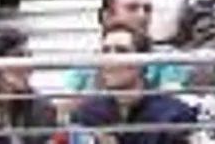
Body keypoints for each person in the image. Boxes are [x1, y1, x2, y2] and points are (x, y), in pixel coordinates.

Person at [70, 23, 200, 142]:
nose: (111, 59)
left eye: (122, 51)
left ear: (143, 62)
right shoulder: (88, 112)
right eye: (105, 51)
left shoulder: (173, 115)